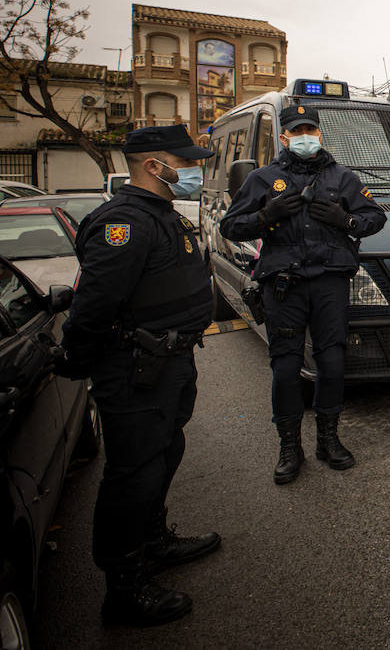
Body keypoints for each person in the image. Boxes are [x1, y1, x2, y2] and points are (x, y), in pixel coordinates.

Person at [54, 125, 220, 626]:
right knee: (133, 474)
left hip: (169, 363)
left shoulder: (159, 214)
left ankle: (154, 540)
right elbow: (95, 304)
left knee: (164, 453)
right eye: (185, 162)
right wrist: (78, 357)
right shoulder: (123, 222)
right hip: (136, 369)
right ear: (154, 165)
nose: (195, 170)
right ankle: (123, 587)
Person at [219, 105, 385, 484]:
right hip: (285, 286)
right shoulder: (263, 179)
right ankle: (289, 447)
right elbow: (231, 226)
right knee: (286, 368)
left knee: (333, 364)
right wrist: (266, 216)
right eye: (297, 131)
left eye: (311, 129)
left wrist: (347, 221)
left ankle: (328, 439)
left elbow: (375, 217)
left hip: (329, 284)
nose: (305, 136)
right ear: (284, 137)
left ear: (320, 134)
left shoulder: (343, 177)